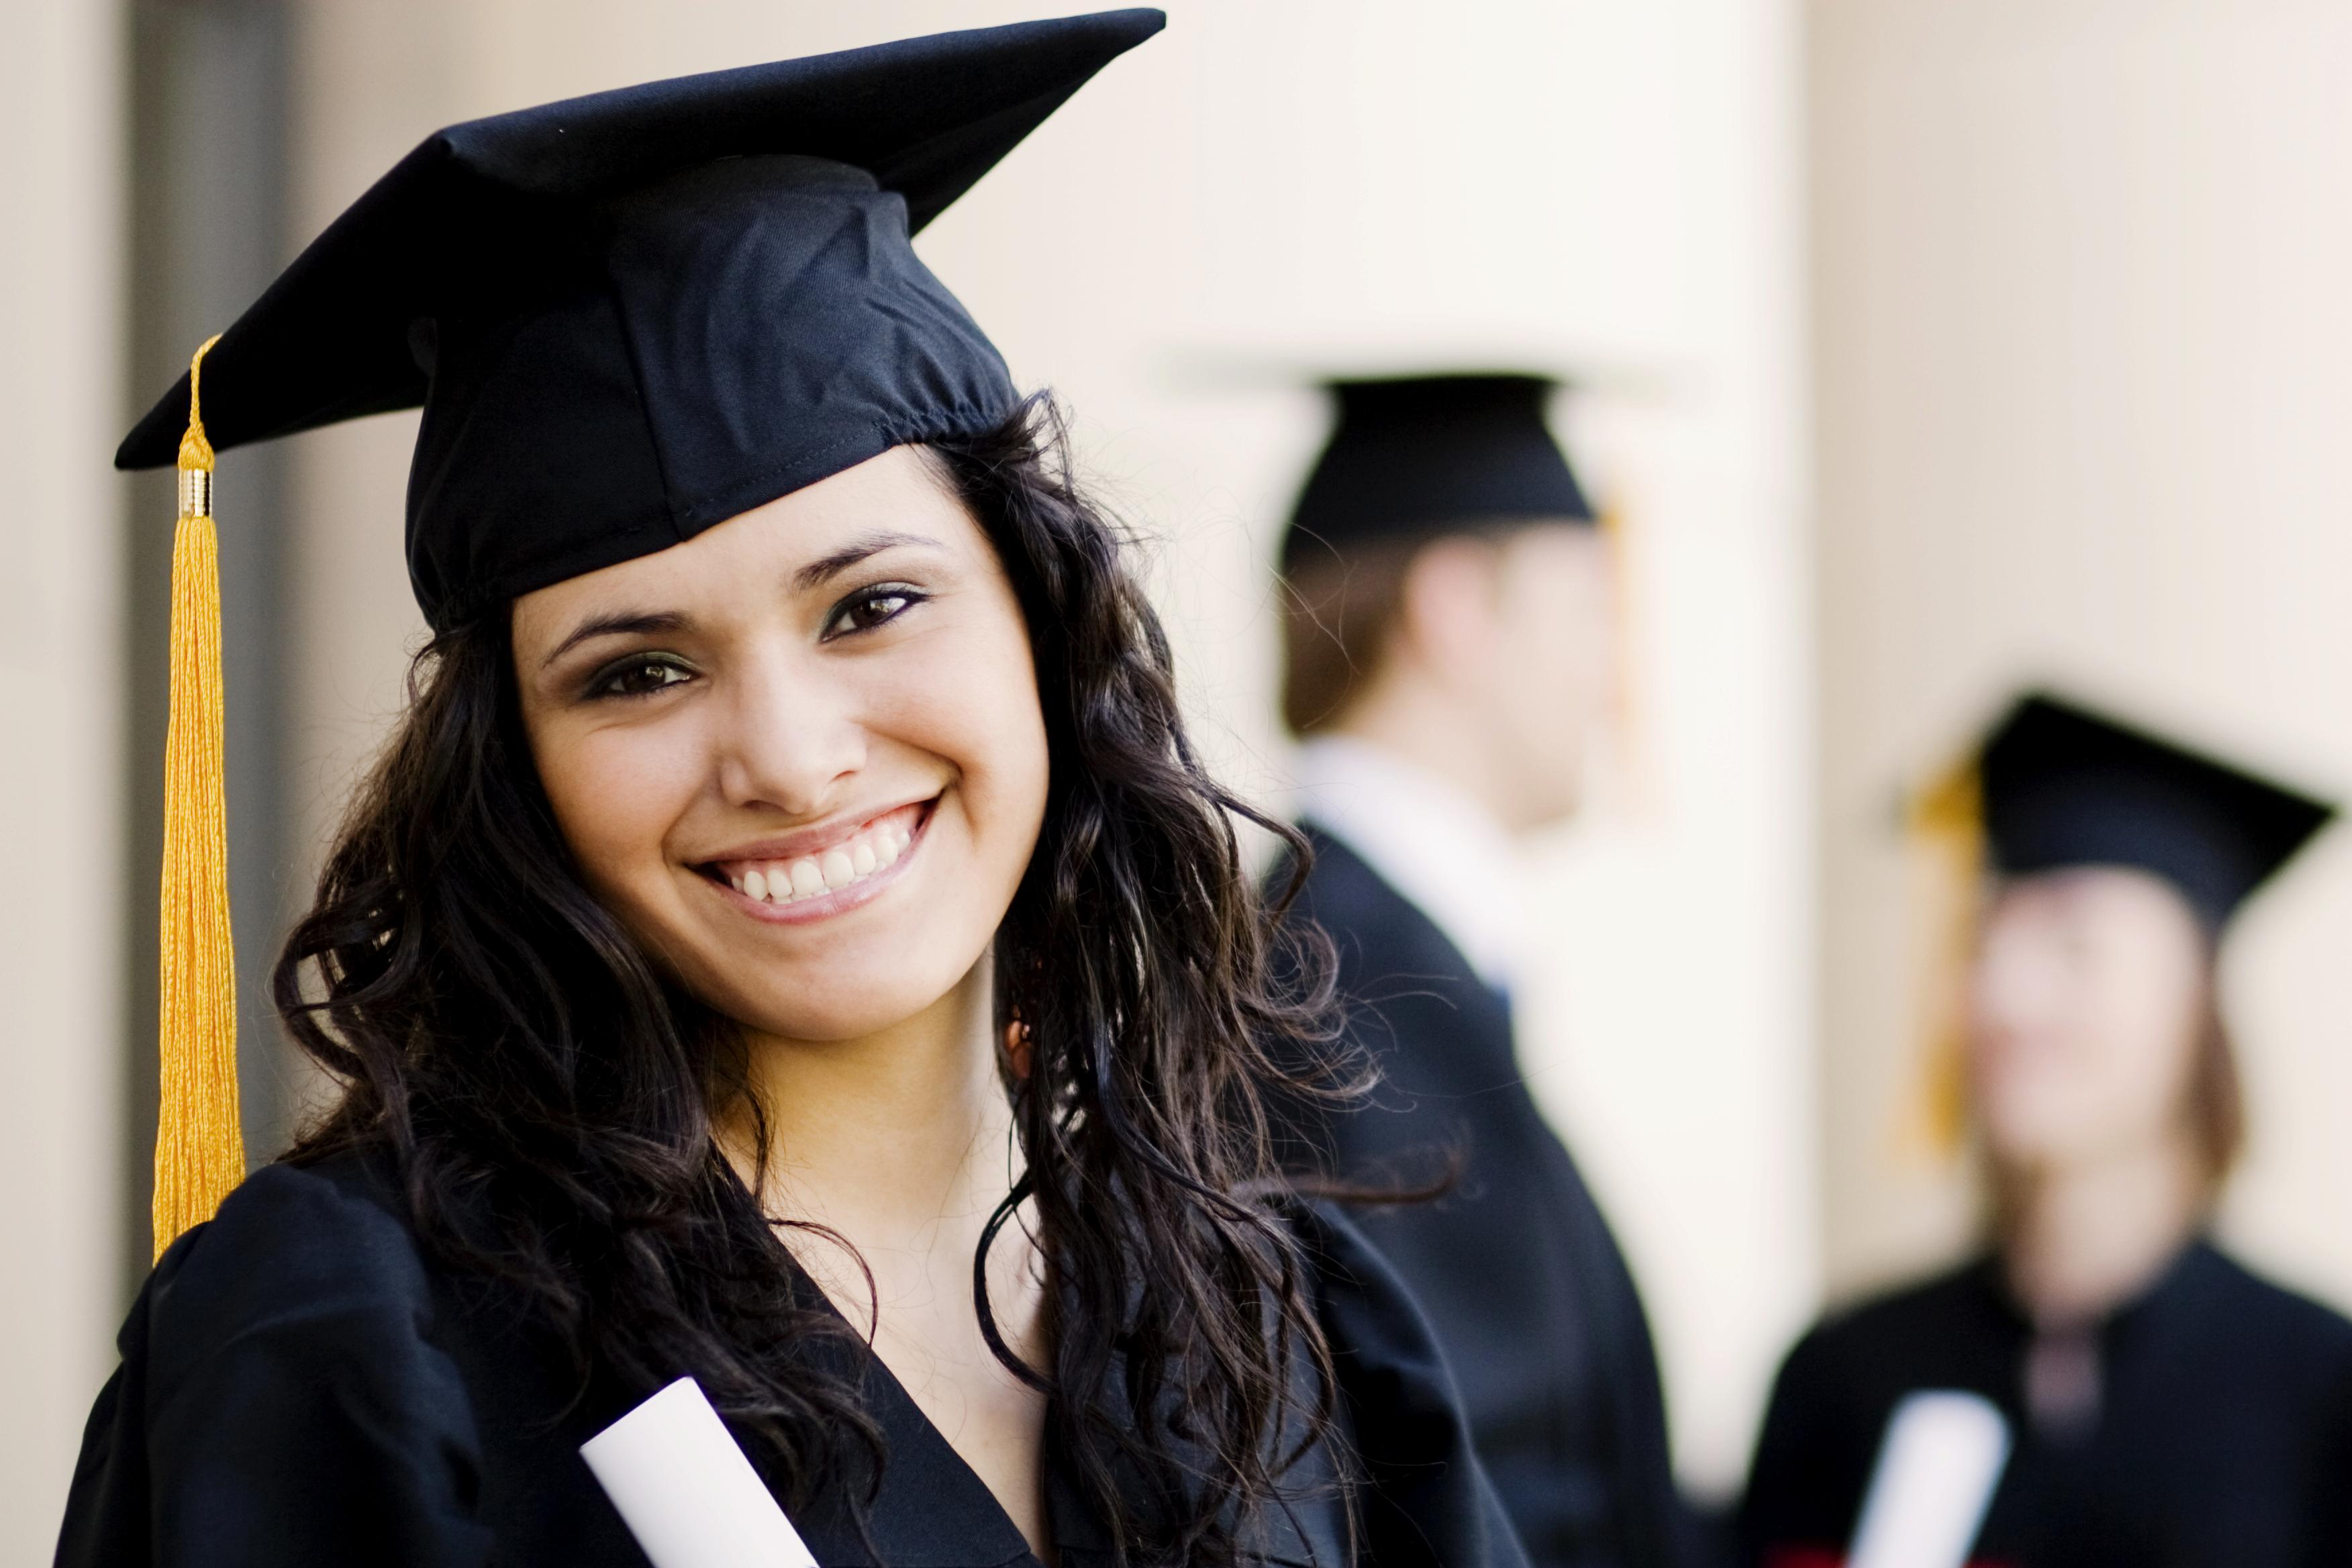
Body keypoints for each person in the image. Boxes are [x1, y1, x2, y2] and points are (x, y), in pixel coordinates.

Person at [55, 17, 1532, 1567]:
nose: (788, 753)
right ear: (514, 767)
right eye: (638, 671)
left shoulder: (1278, 1323)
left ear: (1042, 626)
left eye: (873, 606)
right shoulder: (358, 1348)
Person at [1741, 691, 2352, 1568]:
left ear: (2194, 1000)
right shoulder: (1844, 1376)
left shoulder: (2318, 1386)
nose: (2006, 998)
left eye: (2075, 948)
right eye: (1984, 944)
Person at [1267, 374, 1692, 1568]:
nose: (1613, 679)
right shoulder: (1342, 1005)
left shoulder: (1374, 967)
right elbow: (1482, 1486)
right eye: (1589, 612)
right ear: (1456, 609)